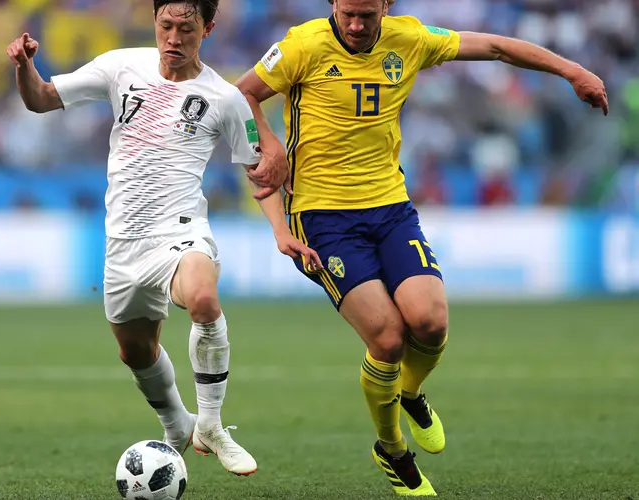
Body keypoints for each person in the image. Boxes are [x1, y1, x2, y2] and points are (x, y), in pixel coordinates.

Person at [235, 0, 609, 495]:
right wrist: (268, 139)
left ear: (385, 7)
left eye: (367, 14)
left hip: (390, 208)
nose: (355, 24)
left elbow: (496, 46)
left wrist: (572, 70)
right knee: (388, 339)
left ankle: (410, 393)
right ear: (332, 6)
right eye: (347, 12)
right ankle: (391, 450)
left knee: (430, 323)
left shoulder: (409, 38)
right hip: (322, 219)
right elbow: (240, 96)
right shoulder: (302, 45)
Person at [6, 0, 320, 477]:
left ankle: (211, 424)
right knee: (134, 351)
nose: (174, 38)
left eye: (186, 28)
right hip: (123, 244)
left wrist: (280, 231)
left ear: (208, 29)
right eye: (166, 26)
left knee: (202, 298)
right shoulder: (120, 66)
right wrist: (25, 66)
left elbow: (258, 171)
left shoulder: (224, 97)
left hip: (180, 232)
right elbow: (41, 99)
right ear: (155, 22)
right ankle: (177, 425)